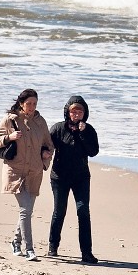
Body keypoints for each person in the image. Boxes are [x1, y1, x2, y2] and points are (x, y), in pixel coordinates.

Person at [0, 89, 54, 262]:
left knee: (27, 211)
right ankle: (29, 249)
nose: (32, 107)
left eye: (35, 104)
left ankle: (15, 242)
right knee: (25, 210)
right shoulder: (10, 120)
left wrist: (46, 155)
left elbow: (49, 145)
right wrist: (9, 137)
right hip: (15, 172)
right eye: (29, 104)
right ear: (21, 103)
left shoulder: (41, 122)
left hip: (34, 172)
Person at [47, 95, 100, 263]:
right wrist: (44, 154)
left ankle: (86, 252)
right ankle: (53, 246)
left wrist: (83, 133)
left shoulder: (89, 130)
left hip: (81, 177)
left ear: (85, 113)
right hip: (59, 177)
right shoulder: (57, 128)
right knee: (59, 211)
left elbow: (93, 151)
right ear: (67, 112)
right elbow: (46, 146)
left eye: (80, 111)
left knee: (83, 212)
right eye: (73, 111)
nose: (76, 114)